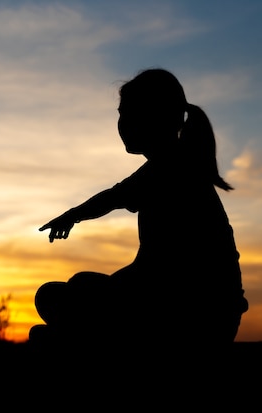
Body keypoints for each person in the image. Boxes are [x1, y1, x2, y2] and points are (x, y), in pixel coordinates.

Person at [29, 68, 248, 354]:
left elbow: (113, 199)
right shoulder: (176, 165)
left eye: (130, 112)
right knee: (80, 285)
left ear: (157, 117)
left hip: (193, 321)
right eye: (120, 113)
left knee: (52, 299)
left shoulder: (170, 169)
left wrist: (72, 215)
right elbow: (151, 266)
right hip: (208, 316)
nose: (122, 123)